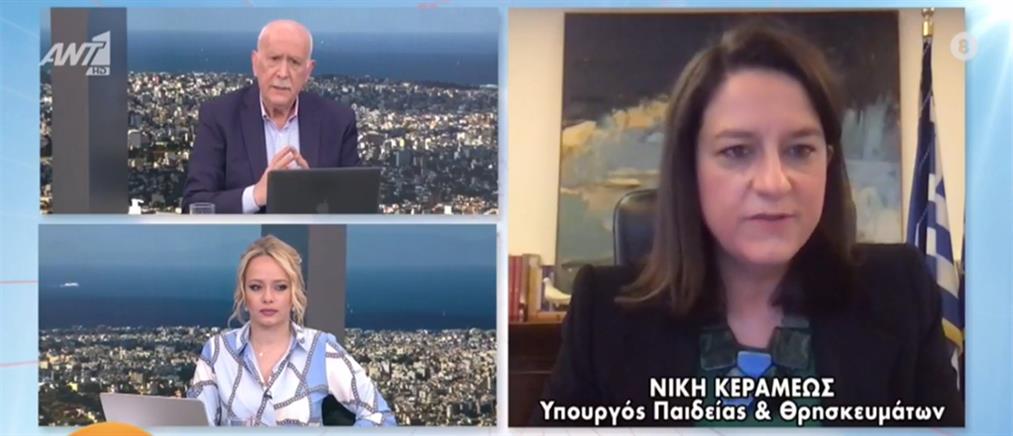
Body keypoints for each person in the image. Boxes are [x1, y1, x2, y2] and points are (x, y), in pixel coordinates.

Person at [535, 23, 963, 427]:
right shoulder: (604, 316)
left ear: (828, 163)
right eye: (737, 151)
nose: (774, 183)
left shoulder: (900, 293)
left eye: (800, 150)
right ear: (689, 168)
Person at [187, 235, 395, 426]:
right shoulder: (218, 351)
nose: (268, 298)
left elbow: (381, 417)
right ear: (243, 293)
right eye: (256, 287)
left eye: (280, 287)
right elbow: (194, 427)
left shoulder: (321, 349)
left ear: (294, 293)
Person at [182, 20, 360, 214]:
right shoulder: (220, 116)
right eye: (274, 59)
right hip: (243, 235)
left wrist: (314, 195)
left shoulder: (338, 122)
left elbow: (357, 207)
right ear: (255, 63)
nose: (283, 73)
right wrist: (256, 195)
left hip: (313, 235)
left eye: (294, 62)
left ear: (308, 71)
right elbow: (194, 204)